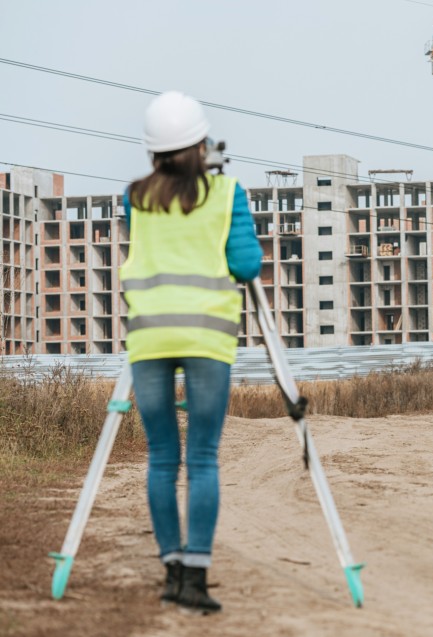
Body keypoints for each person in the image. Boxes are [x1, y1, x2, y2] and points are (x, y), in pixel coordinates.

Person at [119, 91, 262, 614]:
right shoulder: (226, 194)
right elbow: (246, 267)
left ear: (153, 151)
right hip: (206, 338)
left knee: (162, 458)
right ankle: (196, 580)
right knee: (201, 458)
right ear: (201, 144)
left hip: (149, 337)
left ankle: (171, 569)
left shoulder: (135, 198)